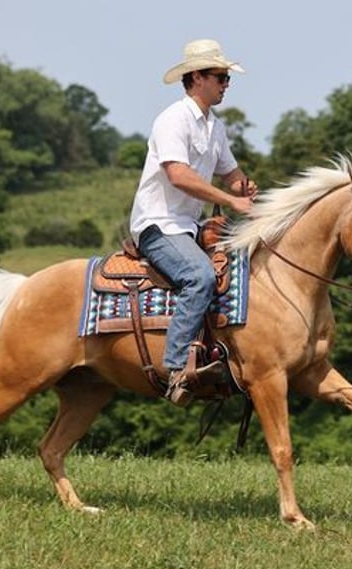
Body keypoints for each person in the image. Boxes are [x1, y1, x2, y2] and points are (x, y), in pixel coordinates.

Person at [129, 39, 258, 407]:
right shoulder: (173, 119)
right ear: (197, 77)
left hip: (187, 227)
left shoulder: (215, 127)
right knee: (199, 276)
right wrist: (231, 200)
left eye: (227, 77)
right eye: (220, 76)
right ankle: (174, 370)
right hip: (158, 225)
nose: (226, 83)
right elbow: (179, 176)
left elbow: (231, 172)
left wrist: (243, 186)